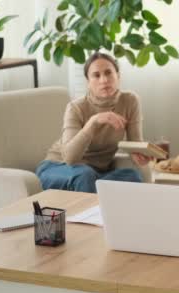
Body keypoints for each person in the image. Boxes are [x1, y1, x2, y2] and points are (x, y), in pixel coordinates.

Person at [36, 52, 152, 193]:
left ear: (118, 76)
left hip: (97, 172)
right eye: (96, 75)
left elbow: (135, 142)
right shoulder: (76, 108)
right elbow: (70, 158)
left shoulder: (130, 101)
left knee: (132, 176)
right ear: (88, 82)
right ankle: (91, 215)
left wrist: (138, 154)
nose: (104, 80)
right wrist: (93, 122)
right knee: (85, 175)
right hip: (57, 167)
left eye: (108, 73)